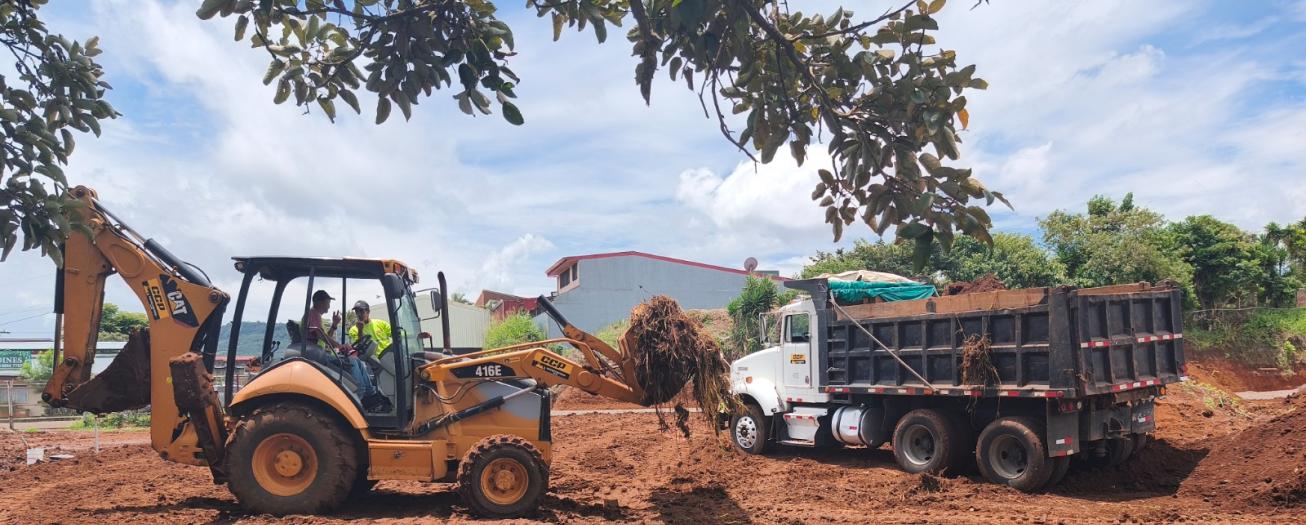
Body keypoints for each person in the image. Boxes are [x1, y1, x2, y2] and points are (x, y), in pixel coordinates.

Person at [303, 290, 392, 413]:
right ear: (320, 301)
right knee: (352, 361)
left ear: (368, 311)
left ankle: (370, 398)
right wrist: (340, 346)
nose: (329, 305)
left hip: (320, 352)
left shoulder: (315, 316)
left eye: (361, 311)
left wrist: (334, 325)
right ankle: (359, 393)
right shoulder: (313, 313)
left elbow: (323, 336)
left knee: (358, 363)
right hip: (316, 355)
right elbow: (320, 335)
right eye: (327, 302)